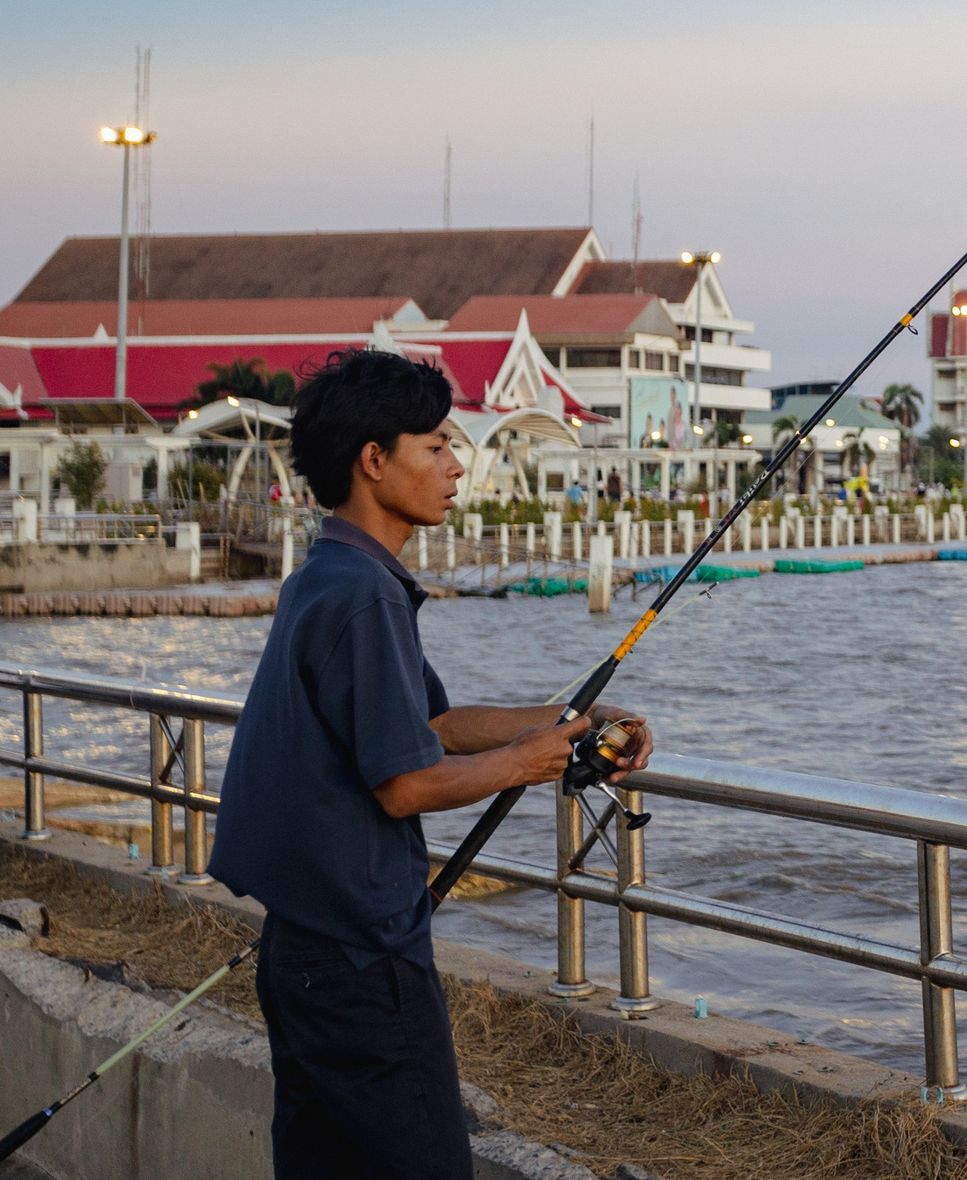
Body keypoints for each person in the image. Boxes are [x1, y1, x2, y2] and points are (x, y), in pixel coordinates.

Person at [211, 349, 653, 1179]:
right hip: (358, 959)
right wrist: (527, 760)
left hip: (303, 948)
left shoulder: (331, 571)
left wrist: (573, 722)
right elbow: (404, 783)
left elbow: (437, 725)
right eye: (436, 446)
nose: (456, 465)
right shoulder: (364, 594)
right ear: (373, 461)